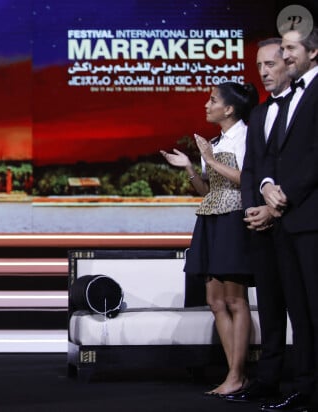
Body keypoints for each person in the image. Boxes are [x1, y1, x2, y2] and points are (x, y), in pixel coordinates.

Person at [161, 81, 259, 397]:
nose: (207, 104)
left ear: (229, 109)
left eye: (212, 99)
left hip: (235, 221)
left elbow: (249, 180)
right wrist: (191, 166)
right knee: (215, 302)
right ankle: (235, 376)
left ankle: (237, 374)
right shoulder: (214, 142)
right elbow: (209, 191)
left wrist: (211, 159)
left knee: (235, 299)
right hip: (210, 220)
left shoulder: (246, 136)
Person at [224, 38, 291, 404]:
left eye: (271, 64)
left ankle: (305, 382)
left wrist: (274, 207)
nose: (263, 72)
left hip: (293, 222)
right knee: (268, 305)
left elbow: (297, 166)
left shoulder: (305, 107)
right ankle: (268, 380)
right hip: (260, 227)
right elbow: (253, 170)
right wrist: (253, 208)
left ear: (291, 62)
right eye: (259, 65)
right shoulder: (261, 114)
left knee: (301, 307)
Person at [259, 27, 318, 412]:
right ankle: (305, 386)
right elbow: (273, 155)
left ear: (313, 52)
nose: (285, 55)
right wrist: (266, 186)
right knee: (299, 311)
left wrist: (287, 193)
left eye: (290, 49)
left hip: (310, 217)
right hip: (286, 219)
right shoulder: (287, 98)